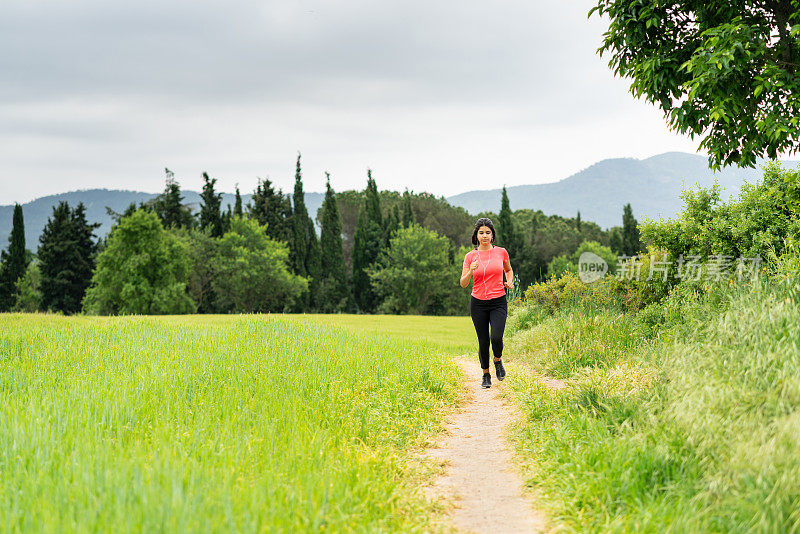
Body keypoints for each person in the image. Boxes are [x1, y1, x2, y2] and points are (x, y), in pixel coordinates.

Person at [459, 217, 514, 388]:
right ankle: (485, 374)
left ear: (492, 235)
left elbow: (509, 270)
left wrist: (509, 281)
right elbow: (463, 283)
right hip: (478, 303)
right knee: (483, 341)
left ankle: (497, 360)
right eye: (481, 233)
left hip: (498, 301)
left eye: (487, 233)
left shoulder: (501, 252)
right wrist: (471, 271)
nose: (484, 236)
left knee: (496, 338)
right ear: (476, 235)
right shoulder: (470, 256)